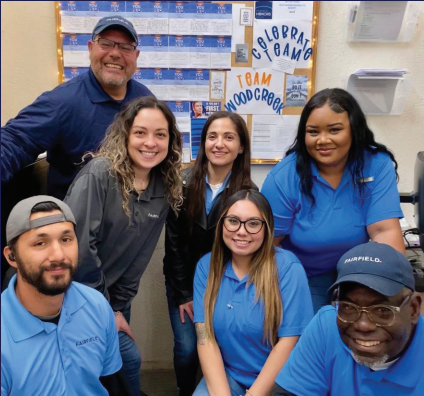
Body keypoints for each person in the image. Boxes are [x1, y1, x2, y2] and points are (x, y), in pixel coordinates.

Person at [64, 96, 183, 396]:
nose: (150, 143)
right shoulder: (100, 174)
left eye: (160, 134)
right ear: (126, 134)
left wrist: (118, 306)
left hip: (116, 299)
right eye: (140, 132)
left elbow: (139, 257)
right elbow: (80, 250)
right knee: (126, 361)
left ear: (171, 140)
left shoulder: (164, 187)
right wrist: (106, 310)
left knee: (113, 368)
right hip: (75, 295)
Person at [261, 88, 404, 313]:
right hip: (303, 275)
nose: (323, 140)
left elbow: (384, 232)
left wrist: (395, 291)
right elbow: (267, 246)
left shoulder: (376, 164)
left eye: (335, 130)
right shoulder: (284, 177)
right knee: (316, 336)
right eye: (313, 132)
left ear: (354, 130)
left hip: (357, 271)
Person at [1, 15, 153, 200]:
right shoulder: (62, 102)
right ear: (90, 48)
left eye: (125, 47)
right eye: (105, 43)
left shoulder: (146, 99)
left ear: (136, 56)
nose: (115, 53)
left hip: (132, 217)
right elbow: (14, 141)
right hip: (75, 222)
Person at [163, 111, 255, 395]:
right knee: (188, 348)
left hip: (226, 286)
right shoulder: (182, 183)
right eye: (212, 136)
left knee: (223, 347)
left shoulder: (249, 192)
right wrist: (184, 295)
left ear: (241, 147)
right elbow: (174, 246)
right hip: (185, 285)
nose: (219, 144)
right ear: (203, 143)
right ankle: (184, 389)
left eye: (229, 137)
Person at [193, 190, 314, 396]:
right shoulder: (207, 267)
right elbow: (205, 337)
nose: (241, 231)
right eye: (233, 221)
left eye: (253, 223)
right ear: (222, 224)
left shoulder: (287, 268)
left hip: (281, 379)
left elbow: (289, 342)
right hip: (229, 375)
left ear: (267, 228)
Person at [1, 196, 122, 395]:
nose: (58, 255)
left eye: (66, 240)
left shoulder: (96, 305)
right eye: (40, 243)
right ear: (11, 256)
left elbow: (108, 380)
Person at [271, 242, 423, 396]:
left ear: (414, 309)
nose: (363, 325)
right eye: (349, 307)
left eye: (382, 310)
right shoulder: (327, 325)